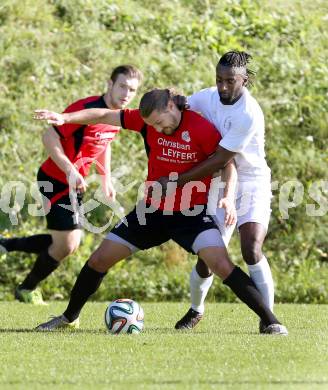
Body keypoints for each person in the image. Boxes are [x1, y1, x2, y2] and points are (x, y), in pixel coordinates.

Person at [33, 88, 287, 335]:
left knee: (221, 264)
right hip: (151, 213)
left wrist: (228, 199)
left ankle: (271, 321)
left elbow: (227, 164)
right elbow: (102, 115)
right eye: (151, 125)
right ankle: (68, 318)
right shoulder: (146, 122)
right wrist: (65, 117)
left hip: (190, 215)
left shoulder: (200, 127)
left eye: (159, 122)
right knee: (99, 259)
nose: (155, 129)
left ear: (170, 107)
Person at [0, 65, 142, 304]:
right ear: (109, 84)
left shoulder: (118, 116)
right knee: (68, 243)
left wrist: (105, 177)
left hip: (74, 185)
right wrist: (70, 169)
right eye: (122, 86)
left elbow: (103, 143)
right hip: (54, 179)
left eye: (132, 90)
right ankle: (25, 287)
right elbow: (49, 136)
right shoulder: (85, 110)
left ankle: (6, 248)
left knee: (67, 244)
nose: (126, 93)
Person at [158, 51, 277, 333]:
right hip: (218, 184)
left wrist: (177, 181)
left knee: (251, 248)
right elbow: (183, 105)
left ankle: (268, 318)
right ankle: (196, 309)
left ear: (245, 80)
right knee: (207, 257)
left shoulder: (248, 113)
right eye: (219, 79)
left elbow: (220, 159)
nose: (223, 87)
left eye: (230, 81)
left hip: (251, 182)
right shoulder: (208, 96)